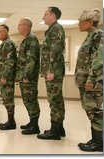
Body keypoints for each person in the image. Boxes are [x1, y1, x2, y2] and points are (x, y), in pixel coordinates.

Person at [75, 9, 103, 152]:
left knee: (95, 111)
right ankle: (97, 139)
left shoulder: (98, 35)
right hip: (85, 80)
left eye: (81, 22)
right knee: (90, 110)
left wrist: (91, 78)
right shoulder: (90, 36)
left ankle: (99, 143)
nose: (79, 24)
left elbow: (98, 59)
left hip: (92, 81)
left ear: (90, 22)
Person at [37, 6, 66, 140]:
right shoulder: (52, 29)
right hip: (53, 71)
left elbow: (55, 51)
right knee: (57, 100)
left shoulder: (55, 29)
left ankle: (55, 131)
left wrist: (51, 70)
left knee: (54, 101)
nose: (43, 17)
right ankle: (59, 128)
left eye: (45, 14)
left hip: (53, 71)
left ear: (53, 16)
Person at [15, 18, 40, 135]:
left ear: (26, 26)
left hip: (28, 78)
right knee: (27, 100)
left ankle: (35, 126)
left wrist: (26, 75)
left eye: (19, 25)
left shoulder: (31, 39)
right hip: (25, 77)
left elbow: (31, 59)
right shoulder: (27, 39)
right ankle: (32, 122)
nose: (18, 27)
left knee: (31, 100)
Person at [0, 24, 17, 130]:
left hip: (6, 78)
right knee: (6, 99)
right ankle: (10, 121)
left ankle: (11, 122)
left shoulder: (8, 44)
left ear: (6, 32)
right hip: (3, 77)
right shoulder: (4, 44)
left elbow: (9, 62)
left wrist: (4, 76)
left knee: (8, 99)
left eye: (0, 32)